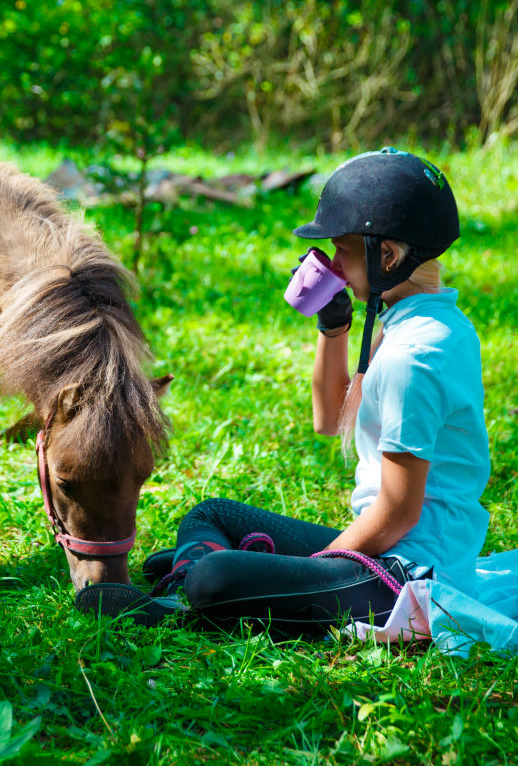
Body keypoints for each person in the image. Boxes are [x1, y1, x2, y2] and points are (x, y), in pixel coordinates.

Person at [136, 148, 492, 635]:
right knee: (212, 513)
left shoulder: (417, 354)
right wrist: (334, 326)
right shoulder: (412, 323)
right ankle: (204, 575)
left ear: (386, 256)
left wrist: (318, 566)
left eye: (343, 251)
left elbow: (398, 510)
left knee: (215, 577)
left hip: (412, 576)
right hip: (386, 548)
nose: (335, 265)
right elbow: (330, 420)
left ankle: (192, 589)